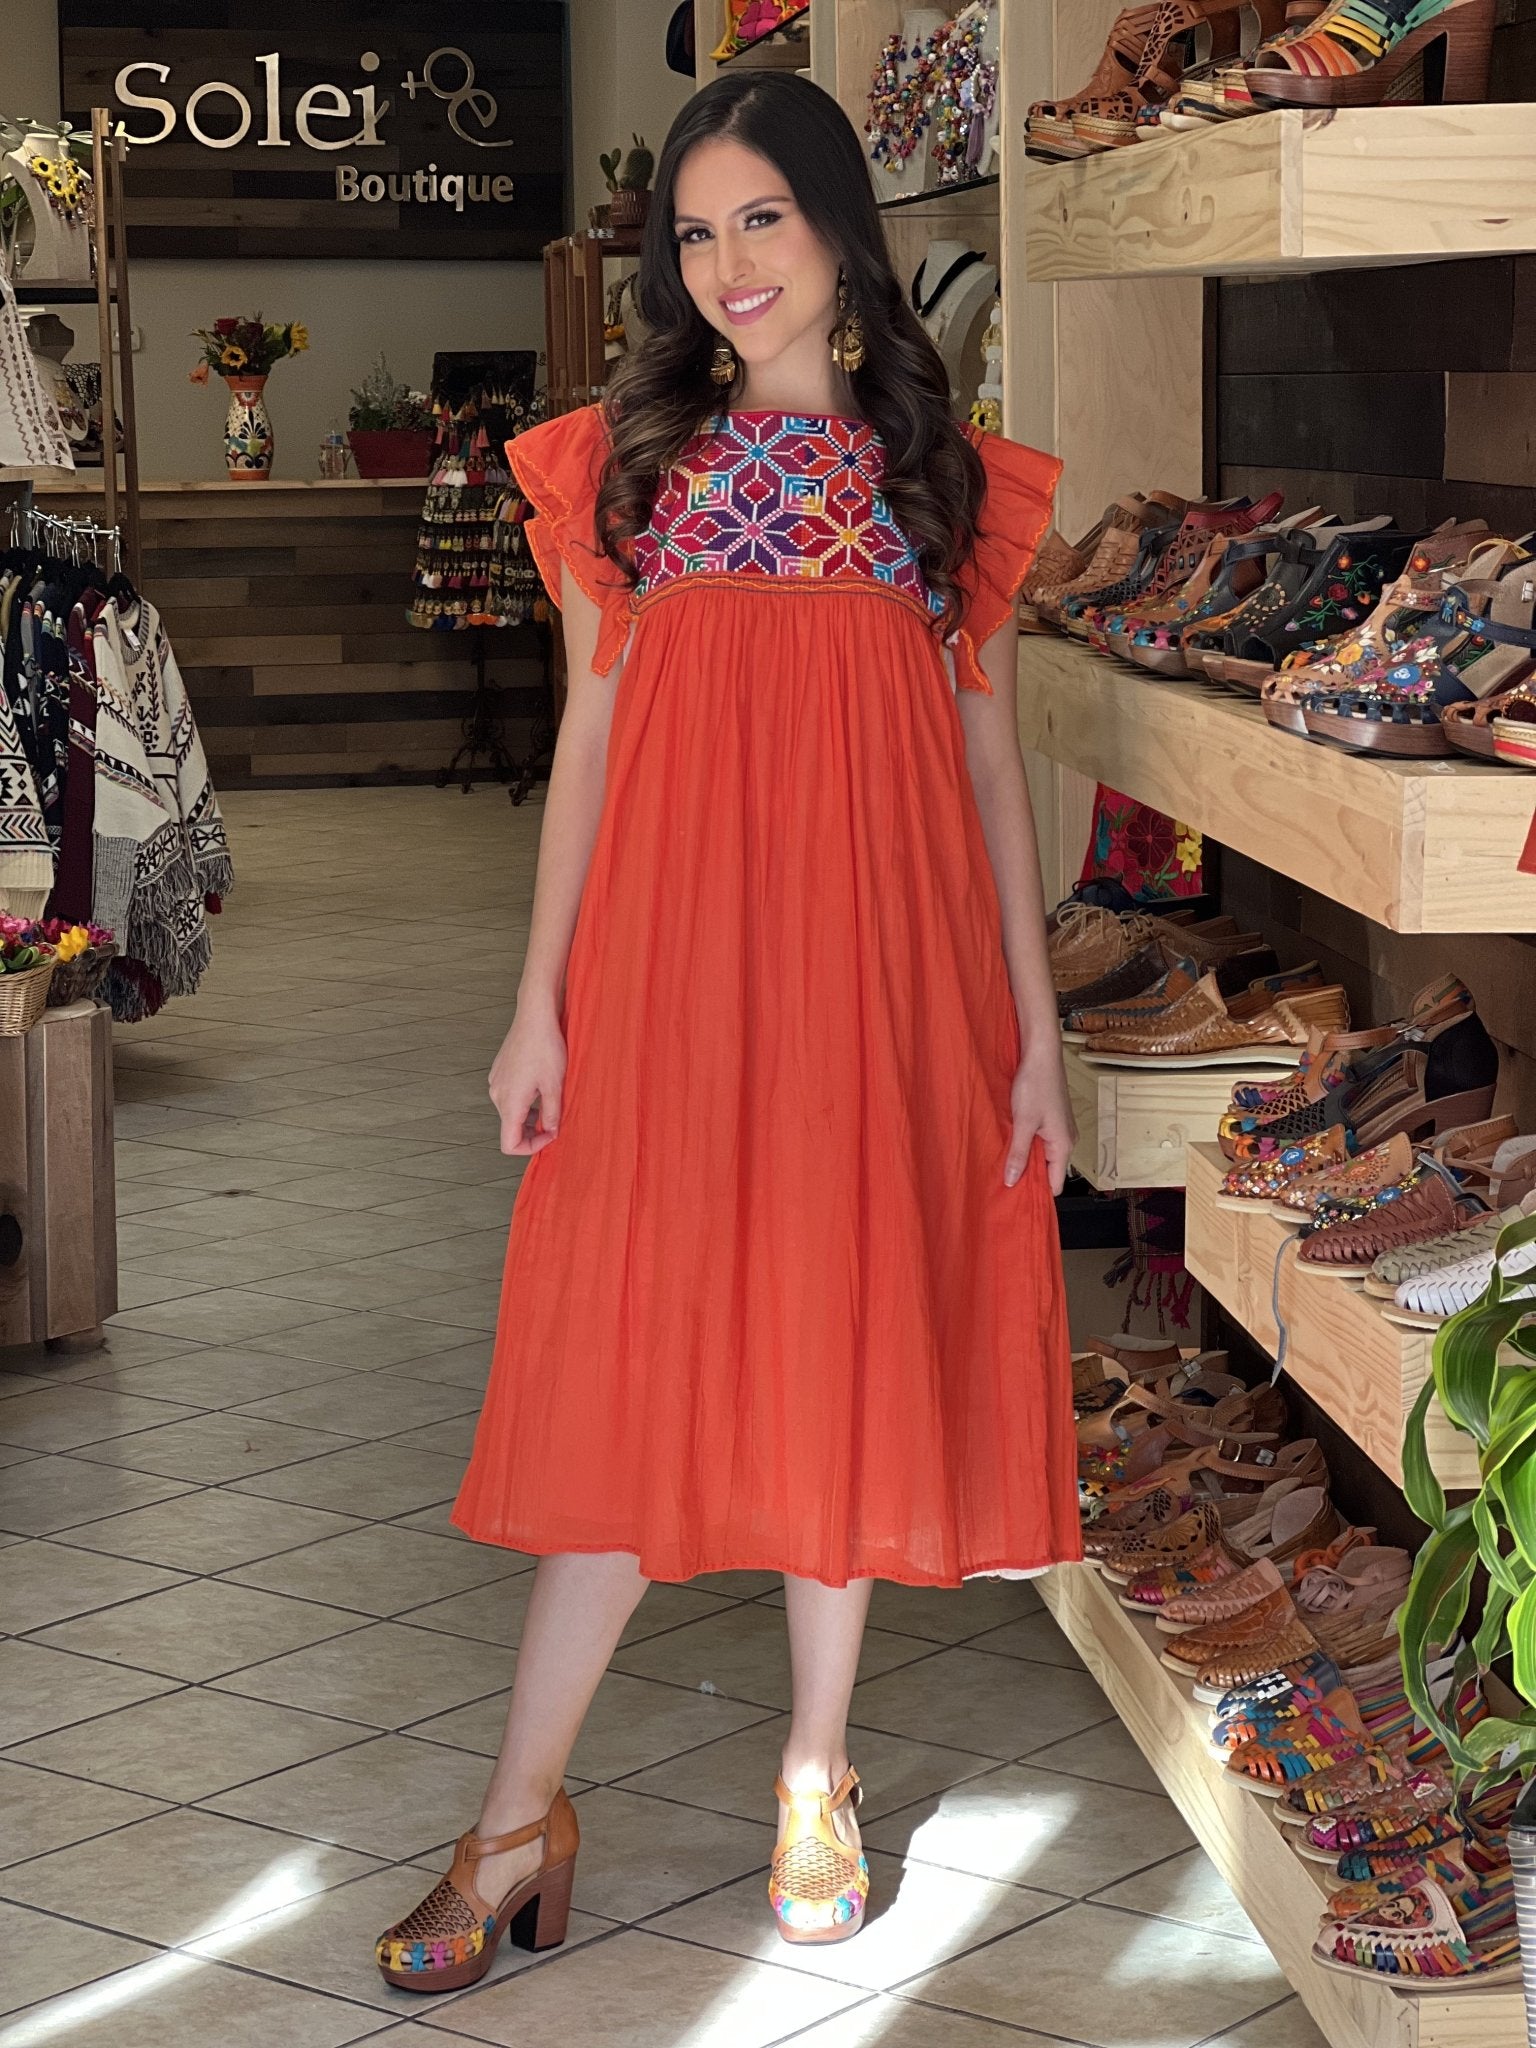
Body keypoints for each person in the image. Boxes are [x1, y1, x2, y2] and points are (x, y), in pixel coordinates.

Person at [376, 69, 1080, 1993]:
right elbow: (591, 750)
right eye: (696, 230)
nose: (726, 263)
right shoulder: (626, 464)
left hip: (881, 976)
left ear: (841, 226)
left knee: (836, 1340)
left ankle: (818, 1770)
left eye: (759, 217)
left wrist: (1033, 1035)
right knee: (628, 1350)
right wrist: (537, 1003)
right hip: (671, 977)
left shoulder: (945, 484)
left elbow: (991, 769)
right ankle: (518, 1813)